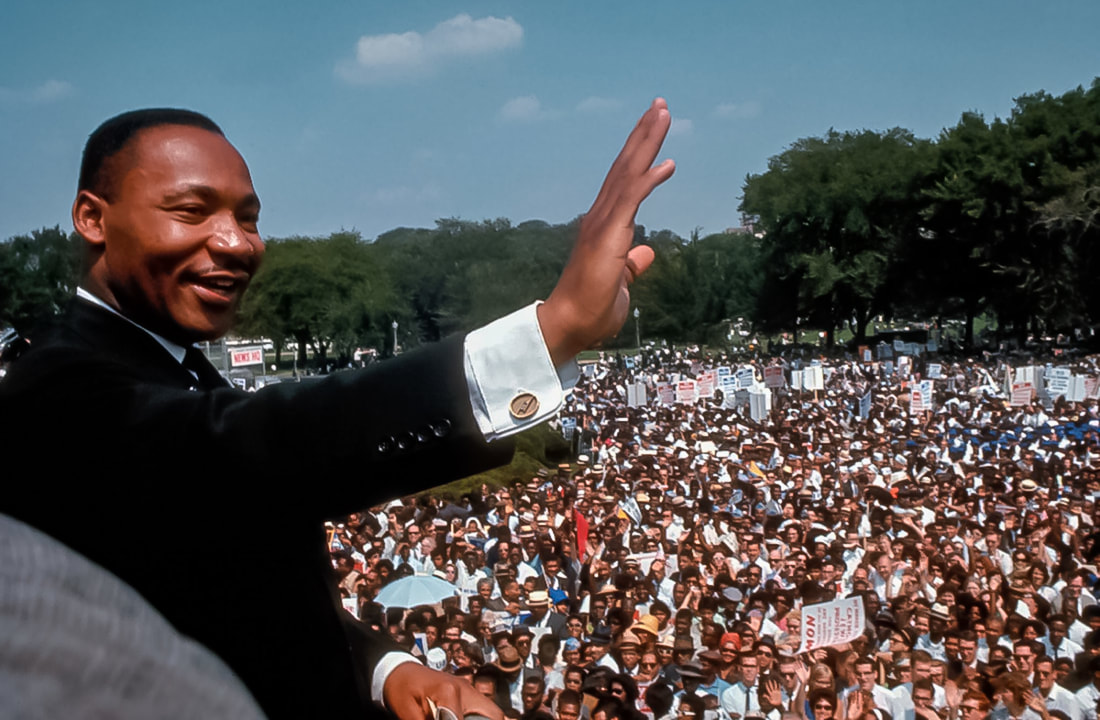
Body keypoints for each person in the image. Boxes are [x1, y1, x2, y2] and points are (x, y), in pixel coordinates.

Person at [0, 99, 675, 719]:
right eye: (191, 210)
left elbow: (226, 598)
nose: (237, 243)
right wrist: (551, 331)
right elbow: (250, 453)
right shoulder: (51, 392)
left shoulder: (176, 367)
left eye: (248, 217)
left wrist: (382, 667)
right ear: (93, 218)